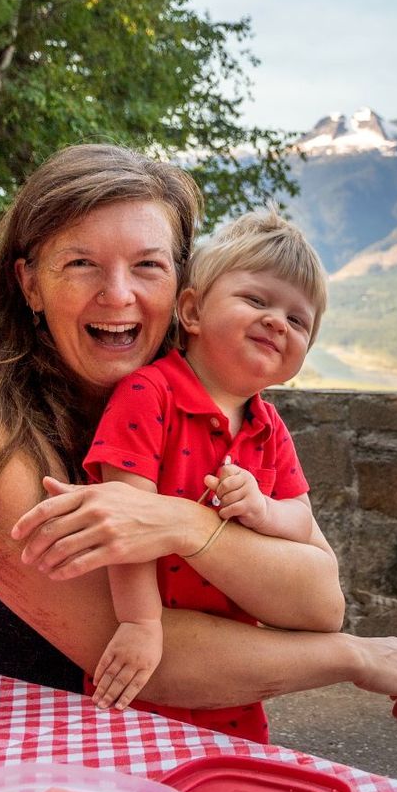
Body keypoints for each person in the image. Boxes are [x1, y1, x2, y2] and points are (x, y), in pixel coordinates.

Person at [0, 143, 397, 734]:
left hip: (118, 748)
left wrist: (180, 524)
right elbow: (146, 658)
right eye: (80, 264)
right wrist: (351, 657)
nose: (118, 294)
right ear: (30, 284)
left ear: (181, 288)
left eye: (147, 266)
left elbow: (320, 600)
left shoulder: (205, 411)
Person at [82, 210, 328, 743]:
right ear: (191, 311)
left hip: (232, 671)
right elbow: (123, 523)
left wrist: (263, 509)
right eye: (257, 301)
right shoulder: (149, 395)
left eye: (299, 320)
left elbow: (302, 522)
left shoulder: (269, 427)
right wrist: (141, 625)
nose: (278, 322)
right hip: (143, 660)